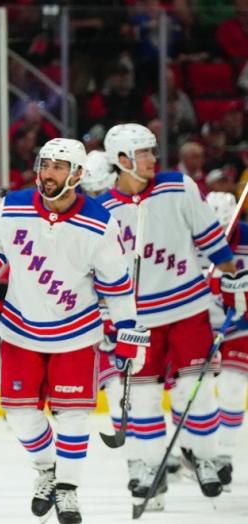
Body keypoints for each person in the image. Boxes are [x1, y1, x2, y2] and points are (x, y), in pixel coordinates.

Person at [0, 137, 147, 524]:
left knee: (72, 416)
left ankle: (68, 490)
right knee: (19, 416)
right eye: (44, 164)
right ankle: (47, 469)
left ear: (78, 174)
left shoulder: (100, 221)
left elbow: (118, 286)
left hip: (77, 334)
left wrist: (128, 331)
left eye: (57, 167)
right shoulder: (14, 207)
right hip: (20, 331)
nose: (47, 173)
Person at [96, 123, 239, 511]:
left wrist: (232, 275)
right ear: (123, 160)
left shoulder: (179, 186)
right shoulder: (104, 210)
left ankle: (205, 458)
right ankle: (149, 467)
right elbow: (99, 269)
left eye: (152, 151)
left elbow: (209, 236)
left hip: (189, 308)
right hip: (138, 320)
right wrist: (106, 317)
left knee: (196, 390)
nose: (153, 159)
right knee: (141, 398)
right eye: (144, 153)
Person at [204, 191, 247, 491]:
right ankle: (195, 451)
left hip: (240, 325)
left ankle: (223, 456)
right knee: (192, 392)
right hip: (201, 325)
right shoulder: (188, 239)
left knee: (231, 386)